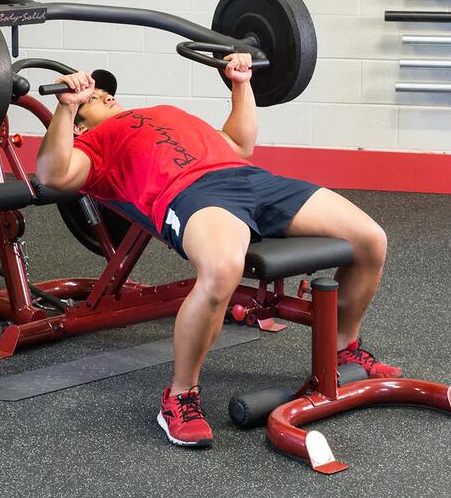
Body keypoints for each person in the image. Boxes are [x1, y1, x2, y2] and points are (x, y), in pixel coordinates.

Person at [36, 56, 400, 449]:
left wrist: (240, 84)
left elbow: (240, 144)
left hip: (252, 180)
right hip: (191, 194)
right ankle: (179, 397)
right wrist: (67, 105)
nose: (105, 97)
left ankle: (343, 351)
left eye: (106, 93)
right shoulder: (93, 143)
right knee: (223, 269)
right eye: (95, 99)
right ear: (79, 125)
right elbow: (53, 176)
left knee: (370, 239)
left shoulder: (164, 113)